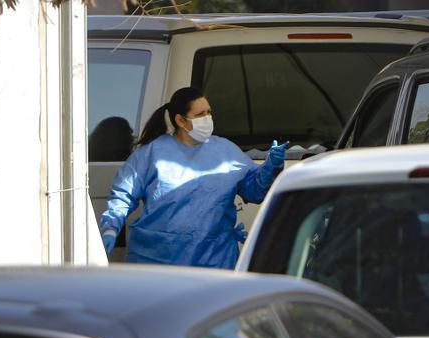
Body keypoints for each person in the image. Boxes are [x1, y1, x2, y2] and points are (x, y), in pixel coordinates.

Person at [98, 86, 288, 268]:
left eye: (209, 112)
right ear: (180, 121)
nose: (207, 118)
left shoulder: (225, 151)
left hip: (214, 257)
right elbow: (124, 193)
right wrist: (111, 228)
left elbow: (254, 190)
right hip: (159, 258)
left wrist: (272, 165)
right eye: (200, 114)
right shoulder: (152, 153)